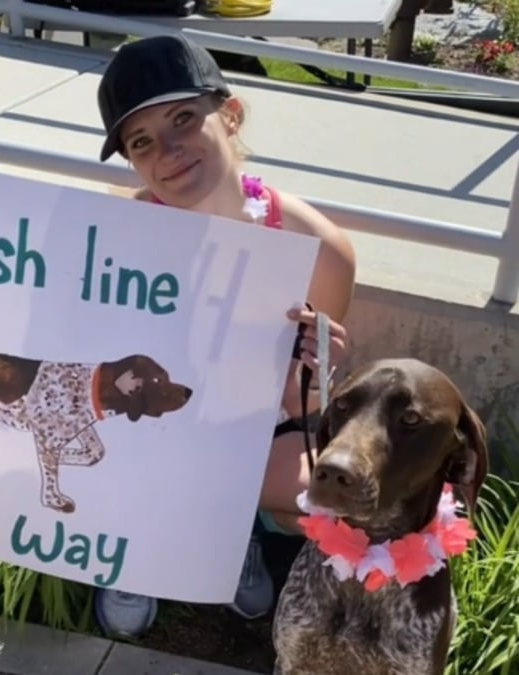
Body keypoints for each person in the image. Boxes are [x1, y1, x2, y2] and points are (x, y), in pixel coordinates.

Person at [89, 35, 355, 638]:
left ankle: (238, 531)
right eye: (141, 141)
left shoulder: (320, 251)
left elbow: (302, 406)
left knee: (323, 499)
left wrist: (318, 372)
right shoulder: (116, 238)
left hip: (249, 427)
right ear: (131, 160)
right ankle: (132, 544)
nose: (169, 151)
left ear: (229, 114)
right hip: (151, 423)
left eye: (183, 118)